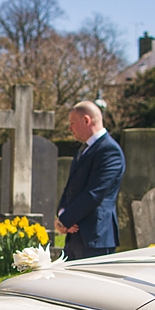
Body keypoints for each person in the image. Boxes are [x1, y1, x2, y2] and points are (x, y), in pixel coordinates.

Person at [55, 100, 126, 259]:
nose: (70, 128)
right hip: (75, 235)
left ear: (86, 120)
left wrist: (65, 220)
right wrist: (62, 213)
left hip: (95, 237)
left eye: (72, 123)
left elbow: (94, 194)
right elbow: (71, 187)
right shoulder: (85, 149)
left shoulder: (109, 151)